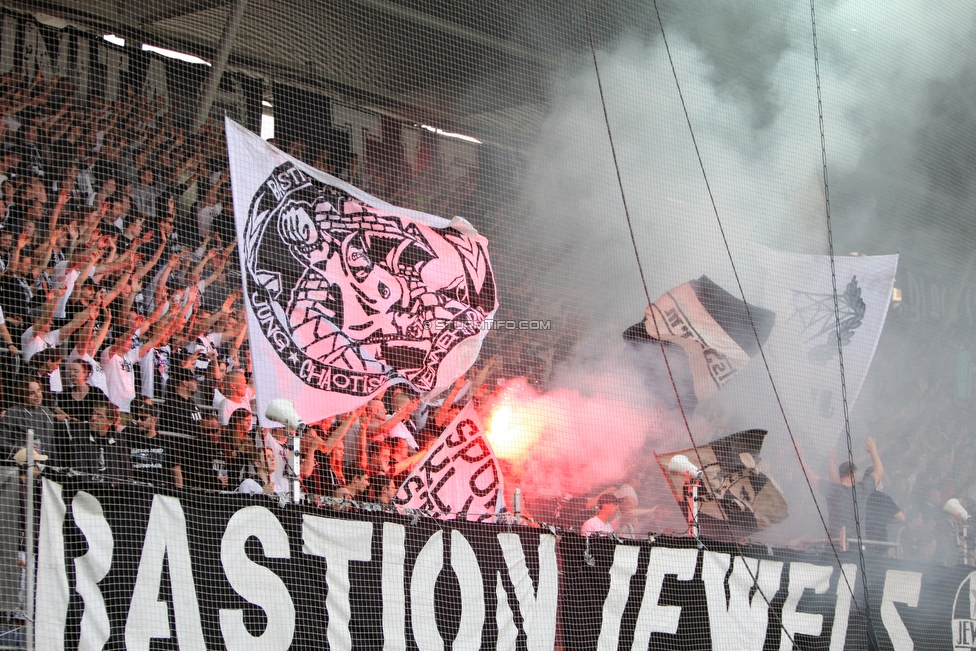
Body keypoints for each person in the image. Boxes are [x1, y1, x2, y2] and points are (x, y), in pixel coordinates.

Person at [124, 403, 183, 489]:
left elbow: (176, 471)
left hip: (161, 493)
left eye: (143, 418)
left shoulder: (166, 442)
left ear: (154, 420)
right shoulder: (129, 441)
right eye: (137, 418)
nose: (139, 421)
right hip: (137, 492)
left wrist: (179, 494)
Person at [72, 402, 130, 483]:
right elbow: (79, 469)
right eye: (93, 413)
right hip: (87, 489)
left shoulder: (119, 439)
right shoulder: (80, 436)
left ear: (110, 421)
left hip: (114, 491)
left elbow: (125, 471)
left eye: (99, 416)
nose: (93, 418)